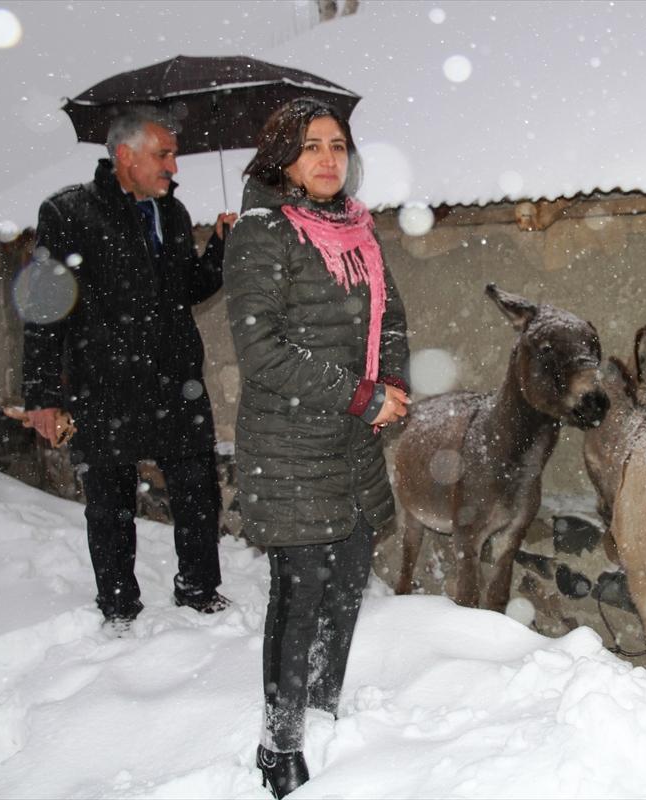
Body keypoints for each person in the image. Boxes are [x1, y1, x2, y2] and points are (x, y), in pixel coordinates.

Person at [223, 97, 410, 799]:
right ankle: (280, 745)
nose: (328, 158)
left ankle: (323, 710)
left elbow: (392, 317)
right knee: (300, 597)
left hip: (352, 445)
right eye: (311, 146)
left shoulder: (358, 229)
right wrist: (361, 394)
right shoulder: (262, 233)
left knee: (348, 583)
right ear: (284, 158)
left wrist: (391, 382)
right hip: (290, 448)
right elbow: (262, 351)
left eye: (337, 145)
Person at [20, 106, 238, 634]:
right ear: (124, 155)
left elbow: (186, 290)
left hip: (176, 380)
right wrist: (43, 395)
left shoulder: (173, 213)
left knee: (197, 490)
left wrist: (220, 248)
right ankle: (118, 607)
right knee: (110, 503)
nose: (173, 166)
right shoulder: (69, 212)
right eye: (163, 155)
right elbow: (45, 308)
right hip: (105, 383)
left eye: (173, 155)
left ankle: (199, 589)